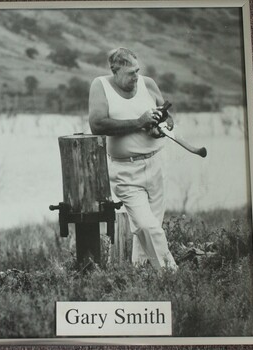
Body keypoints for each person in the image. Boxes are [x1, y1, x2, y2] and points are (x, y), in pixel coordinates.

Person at [88, 47, 177, 271]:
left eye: (137, 71)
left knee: (150, 227)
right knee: (146, 226)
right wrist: (139, 122)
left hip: (156, 164)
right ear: (115, 70)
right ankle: (171, 274)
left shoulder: (147, 84)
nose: (136, 77)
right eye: (130, 73)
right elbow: (97, 125)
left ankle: (140, 273)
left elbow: (168, 118)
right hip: (125, 171)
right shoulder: (101, 86)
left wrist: (161, 127)